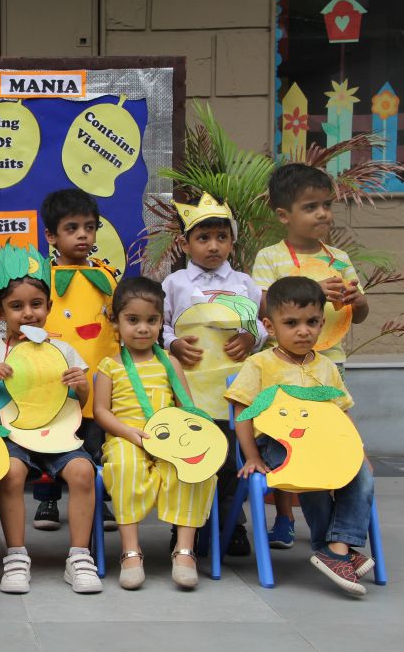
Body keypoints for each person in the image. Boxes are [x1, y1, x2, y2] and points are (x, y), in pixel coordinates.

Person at [225, 276, 375, 596]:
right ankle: (336, 550)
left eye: (312, 322)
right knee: (312, 473)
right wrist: (250, 456)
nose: (303, 331)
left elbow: (341, 414)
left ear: (322, 323)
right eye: (291, 323)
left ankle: (336, 547)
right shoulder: (259, 364)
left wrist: (359, 452)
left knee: (360, 474)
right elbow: (242, 411)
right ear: (270, 326)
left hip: (326, 442)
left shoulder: (327, 368)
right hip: (277, 445)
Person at [0, 243, 101, 595]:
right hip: (12, 438)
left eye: (36, 304)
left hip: (59, 435)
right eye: (17, 306)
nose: (28, 313)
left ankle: (79, 557)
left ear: (49, 307)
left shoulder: (63, 350)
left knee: (83, 471)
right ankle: (15, 556)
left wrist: (81, 386)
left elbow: (80, 402)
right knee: (11, 472)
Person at [250, 164, 369, 549]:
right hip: (281, 364)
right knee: (290, 436)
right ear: (284, 215)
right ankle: (285, 516)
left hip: (330, 363)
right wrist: (310, 290)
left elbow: (359, 315)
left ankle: (333, 534)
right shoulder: (270, 257)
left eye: (326, 205)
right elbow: (261, 305)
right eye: (310, 207)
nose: (322, 214)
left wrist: (358, 301)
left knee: (326, 439)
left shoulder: (339, 258)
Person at [94, 276, 217, 590]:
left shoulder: (170, 363)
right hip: (126, 438)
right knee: (125, 466)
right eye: (133, 320)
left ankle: (184, 551)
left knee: (193, 468)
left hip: (170, 440)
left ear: (162, 321)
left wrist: (192, 437)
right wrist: (128, 433)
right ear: (116, 321)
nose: (143, 328)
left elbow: (186, 406)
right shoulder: (109, 366)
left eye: (152, 320)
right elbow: (101, 411)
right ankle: (130, 551)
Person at [161, 194, 266, 557]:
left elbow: (262, 324)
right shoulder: (174, 284)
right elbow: (160, 325)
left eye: (221, 237)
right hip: (191, 387)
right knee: (192, 455)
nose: (213, 246)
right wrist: (174, 344)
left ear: (232, 242)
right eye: (203, 238)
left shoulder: (245, 283)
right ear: (185, 243)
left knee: (231, 459)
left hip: (234, 390)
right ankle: (185, 528)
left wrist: (250, 337)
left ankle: (232, 524)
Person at [39, 188, 119, 532]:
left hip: (99, 375)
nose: (82, 235)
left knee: (95, 442)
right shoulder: (41, 277)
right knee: (50, 438)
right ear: (51, 236)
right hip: (54, 378)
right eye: (71, 228)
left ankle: (98, 499)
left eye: (89, 227)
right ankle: (47, 498)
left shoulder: (108, 275)